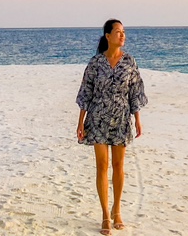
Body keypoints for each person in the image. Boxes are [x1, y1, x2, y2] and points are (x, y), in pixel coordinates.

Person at [76, 19, 148, 234]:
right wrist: (80, 123)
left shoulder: (129, 62)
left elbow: (135, 92)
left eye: (123, 32)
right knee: (102, 166)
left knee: (118, 166)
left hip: (121, 118)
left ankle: (117, 210)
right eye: (118, 32)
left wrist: (137, 119)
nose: (122, 36)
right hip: (97, 118)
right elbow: (85, 93)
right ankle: (105, 215)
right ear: (107, 36)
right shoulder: (96, 63)